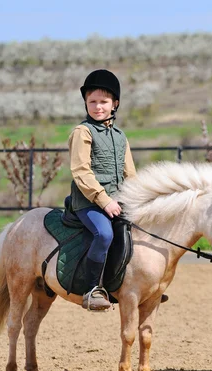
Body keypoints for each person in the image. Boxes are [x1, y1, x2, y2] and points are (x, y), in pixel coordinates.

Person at [69, 69, 135, 311]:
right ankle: (91, 289)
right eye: (92, 101)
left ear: (115, 104)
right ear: (86, 103)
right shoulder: (82, 132)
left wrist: (139, 200)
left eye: (104, 102)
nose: (98, 107)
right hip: (88, 202)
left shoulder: (120, 136)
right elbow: (81, 171)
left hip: (118, 200)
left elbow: (131, 175)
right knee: (104, 234)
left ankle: (139, 285)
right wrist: (104, 200)